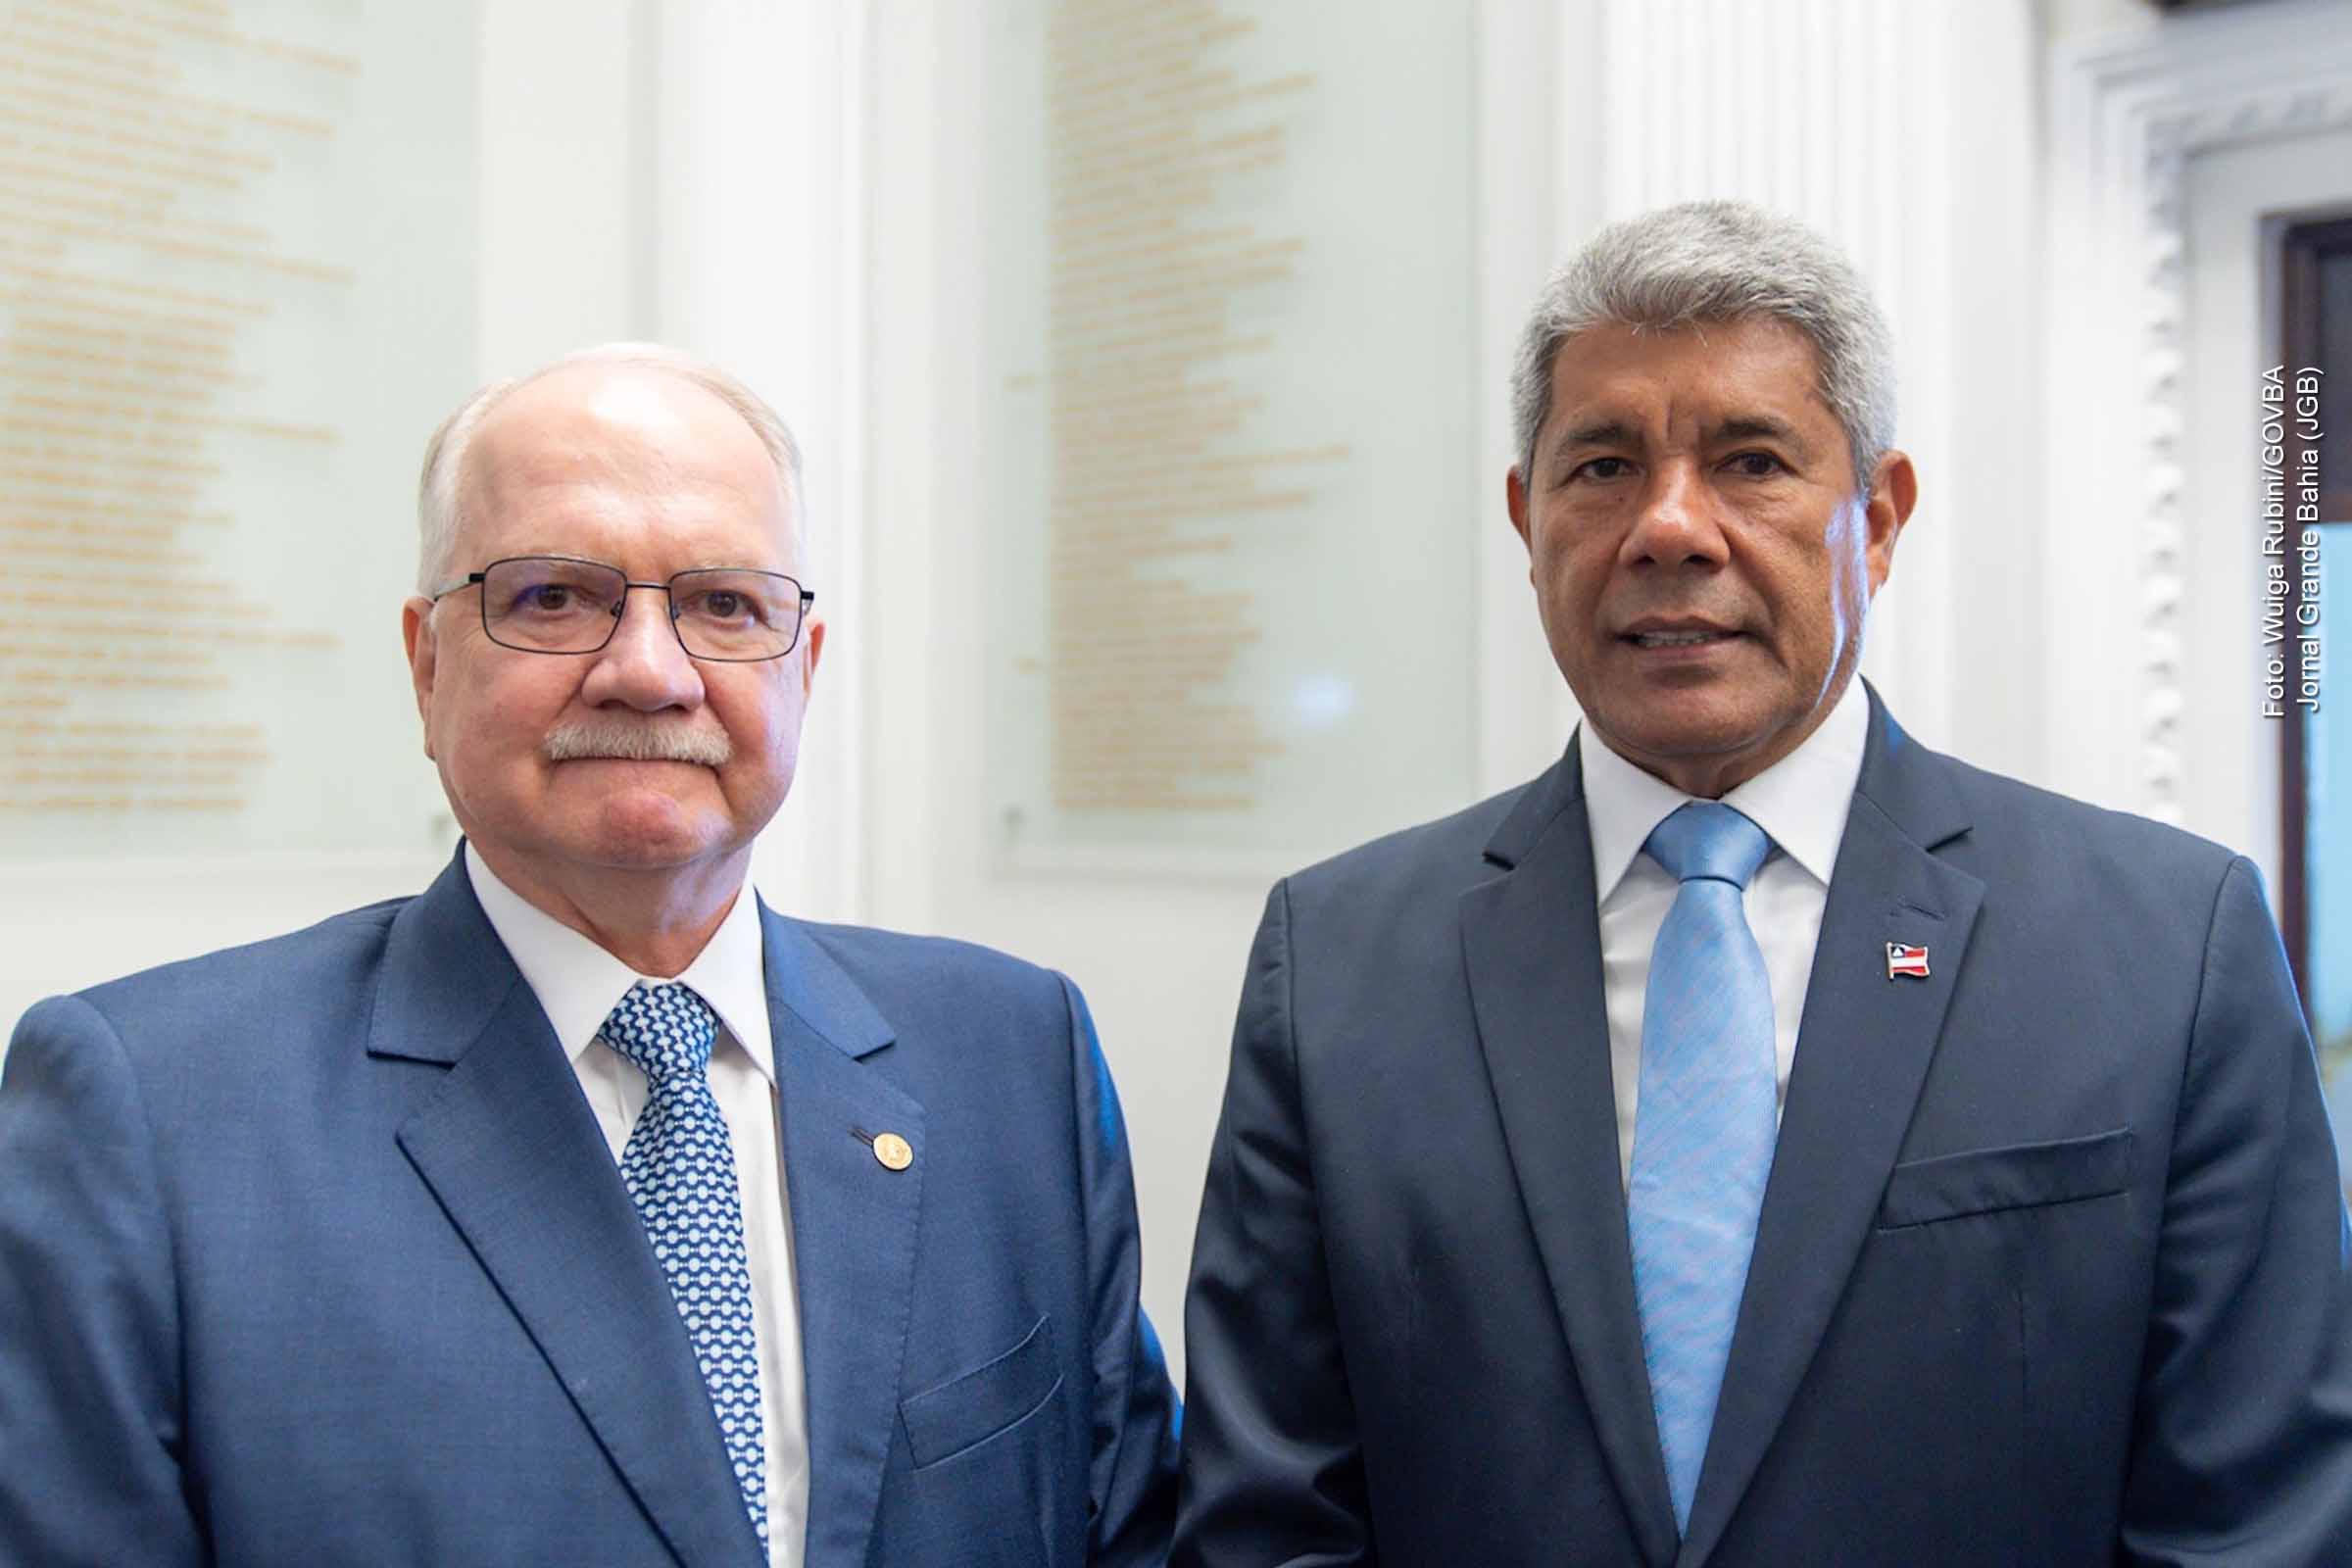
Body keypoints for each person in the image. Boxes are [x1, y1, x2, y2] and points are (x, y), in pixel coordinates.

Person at [1173, 202, 2352, 1565]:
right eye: (1603, 466)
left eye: (1752, 462)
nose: (1671, 528)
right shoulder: (1336, 963)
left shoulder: (2166, 946)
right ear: (1527, 520)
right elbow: (1272, 1521)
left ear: (1880, 518)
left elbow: (2260, 1525)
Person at [0, 345, 1178, 1567]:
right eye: (554, 596)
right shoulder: (152, 1118)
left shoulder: (1011, 1055)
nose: (650, 673)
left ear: (804, 668)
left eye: (725, 605)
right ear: (427, 664)